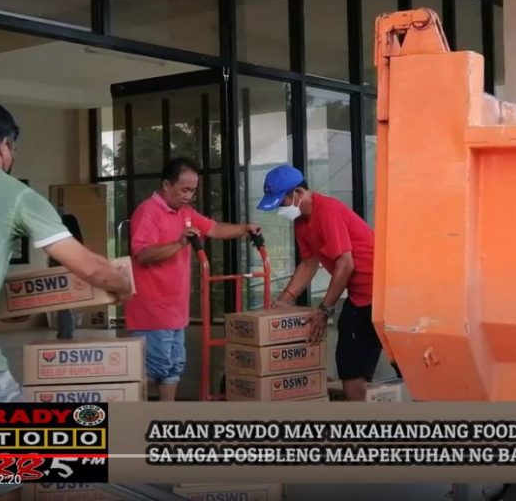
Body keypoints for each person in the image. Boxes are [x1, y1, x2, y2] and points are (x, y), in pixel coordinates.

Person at [0, 101, 133, 501]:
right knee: (7, 470)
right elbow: (89, 267)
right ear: (3, 146)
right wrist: (123, 284)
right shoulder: (15, 194)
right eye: (12, 150)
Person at [127, 156, 260, 402]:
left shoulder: (185, 212)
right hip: (152, 312)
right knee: (148, 373)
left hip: (175, 311)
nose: (188, 195)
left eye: (193, 190)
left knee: (172, 372)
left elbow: (214, 229)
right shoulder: (149, 212)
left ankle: (166, 427)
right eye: (184, 189)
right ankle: (137, 425)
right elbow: (143, 254)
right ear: (166, 185)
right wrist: (180, 243)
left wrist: (245, 229)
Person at [257, 164, 382, 402]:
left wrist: (324, 309)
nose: (279, 210)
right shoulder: (301, 222)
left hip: (383, 294)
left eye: (281, 202)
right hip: (359, 296)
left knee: (404, 365)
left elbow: (346, 265)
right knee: (350, 364)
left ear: (298, 194)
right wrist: (285, 298)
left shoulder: (327, 211)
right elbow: (309, 262)